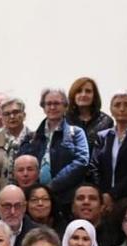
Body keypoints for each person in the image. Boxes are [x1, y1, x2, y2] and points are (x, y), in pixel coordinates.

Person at [18, 88, 89, 217]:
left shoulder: (76, 133)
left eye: (56, 103)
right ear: (43, 107)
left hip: (66, 197)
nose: (52, 107)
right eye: (48, 104)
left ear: (65, 106)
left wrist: (53, 185)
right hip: (38, 199)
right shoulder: (32, 137)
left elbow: (81, 161)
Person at [0, 97, 32, 183]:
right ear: (2, 118)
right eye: (7, 114)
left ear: (24, 115)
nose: (12, 116)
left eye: (16, 112)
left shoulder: (36, 139)